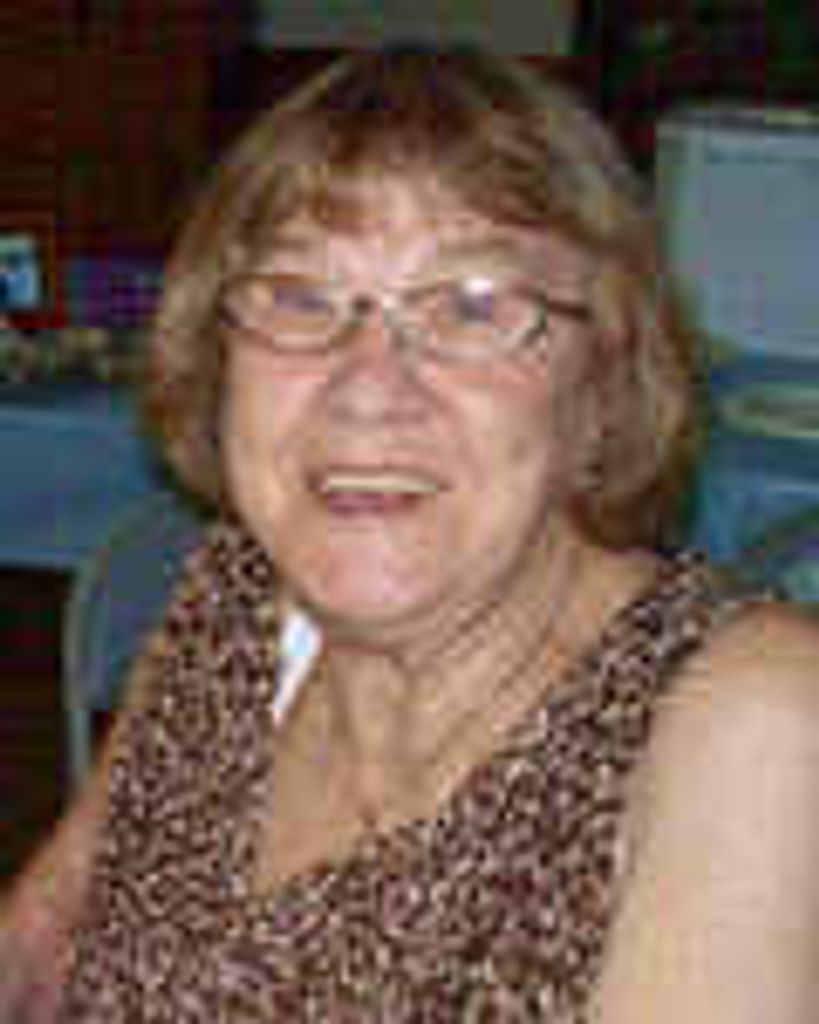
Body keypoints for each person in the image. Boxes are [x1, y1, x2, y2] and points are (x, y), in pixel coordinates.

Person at [2, 46, 818, 1022]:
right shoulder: (233, 599)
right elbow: (39, 943)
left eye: (472, 306)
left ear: (603, 386)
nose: (367, 389)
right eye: (299, 296)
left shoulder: (748, 719)